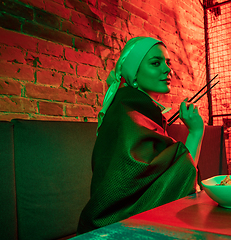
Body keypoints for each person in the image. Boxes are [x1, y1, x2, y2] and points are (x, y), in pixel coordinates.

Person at [77, 37, 204, 234]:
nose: (167, 69)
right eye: (156, 63)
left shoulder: (139, 108)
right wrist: (196, 131)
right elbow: (180, 170)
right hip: (112, 228)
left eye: (167, 63)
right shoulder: (127, 113)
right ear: (133, 74)